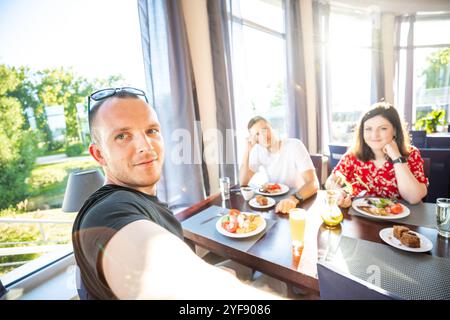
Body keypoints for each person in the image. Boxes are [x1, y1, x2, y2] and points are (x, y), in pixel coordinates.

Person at [72, 87, 279, 299]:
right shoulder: (106, 213)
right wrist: (208, 284)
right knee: (275, 280)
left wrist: (208, 274)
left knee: (262, 270)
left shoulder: (143, 200)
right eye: (122, 136)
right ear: (99, 155)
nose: (145, 146)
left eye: (151, 131)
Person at [325, 102, 428, 207]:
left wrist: (397, 157)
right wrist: (339, 192)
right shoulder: (353, 155)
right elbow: (331, 181)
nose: (374, 135)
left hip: (399, 221)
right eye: (368, 129)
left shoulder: (411, 154)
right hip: (361, 218)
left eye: (383, 128)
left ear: (395, 130)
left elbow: (414, 198)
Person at [239, 116, 319, 214]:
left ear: (272, 127)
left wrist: (294, 199)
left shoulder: (295, 145)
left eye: (265, 129)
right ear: (255, 139)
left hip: (300, 200)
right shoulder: (258, 150)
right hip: (274, 204)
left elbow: (313, 183)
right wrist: (247, 151)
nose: (264, 136)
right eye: (258, 134)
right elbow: (243, 182)